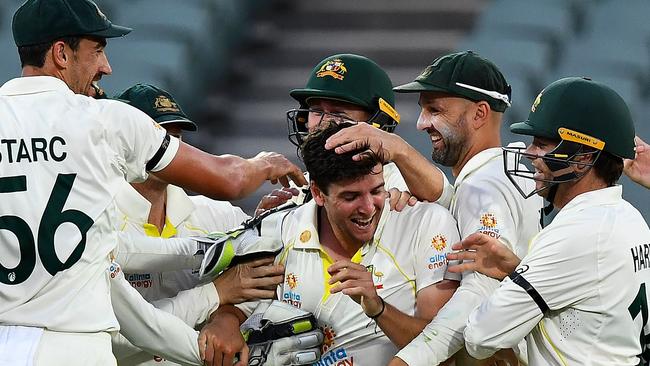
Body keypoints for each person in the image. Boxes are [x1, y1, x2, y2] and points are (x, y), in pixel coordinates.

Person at [0, 1, 305, 365]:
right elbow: (229, 180)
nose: (107, 67)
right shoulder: (105, 121)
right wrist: (262, 164)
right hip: (76, 348)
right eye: (97, 51)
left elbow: (119, 258)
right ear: (61, 54)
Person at [326, 51, 542, 365]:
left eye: (434, 109)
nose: (422, 123)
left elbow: (480, 289)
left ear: (479, 114)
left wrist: (411, 359)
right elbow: (451, 197)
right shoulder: (505, 173)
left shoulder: (483, 187)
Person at [207, 122, 461, 366]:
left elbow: (445, 350)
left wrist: (379, 309)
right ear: (317, 193)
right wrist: (225, 321)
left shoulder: (426, 225)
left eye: (376, 190)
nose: (369, 208)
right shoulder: (280, 230)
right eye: (351, 197)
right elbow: (238, 302)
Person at [448, 77, 650, 365]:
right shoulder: (632, 219)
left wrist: (509, 284)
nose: (530, 154)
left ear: (582, 158)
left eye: (542, 144)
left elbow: (481, 336)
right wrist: (515, 269)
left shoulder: (577, 232)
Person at [107, 83, 285, 365]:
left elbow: (265, 279)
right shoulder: (100, 222)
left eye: (176, 138)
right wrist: (214, 294)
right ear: (123, 143)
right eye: (160, 138)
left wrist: (227, 316)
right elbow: (113, 340)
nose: (172, 149)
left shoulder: (219, 215)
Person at [255, 53, 452, 215]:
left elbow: (445, 200)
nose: (323, 123)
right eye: (316, 111)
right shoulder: (295, 192)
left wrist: (399, 148)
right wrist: (263, 228)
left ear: (379, 123)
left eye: (338, 113)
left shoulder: (400, 187)